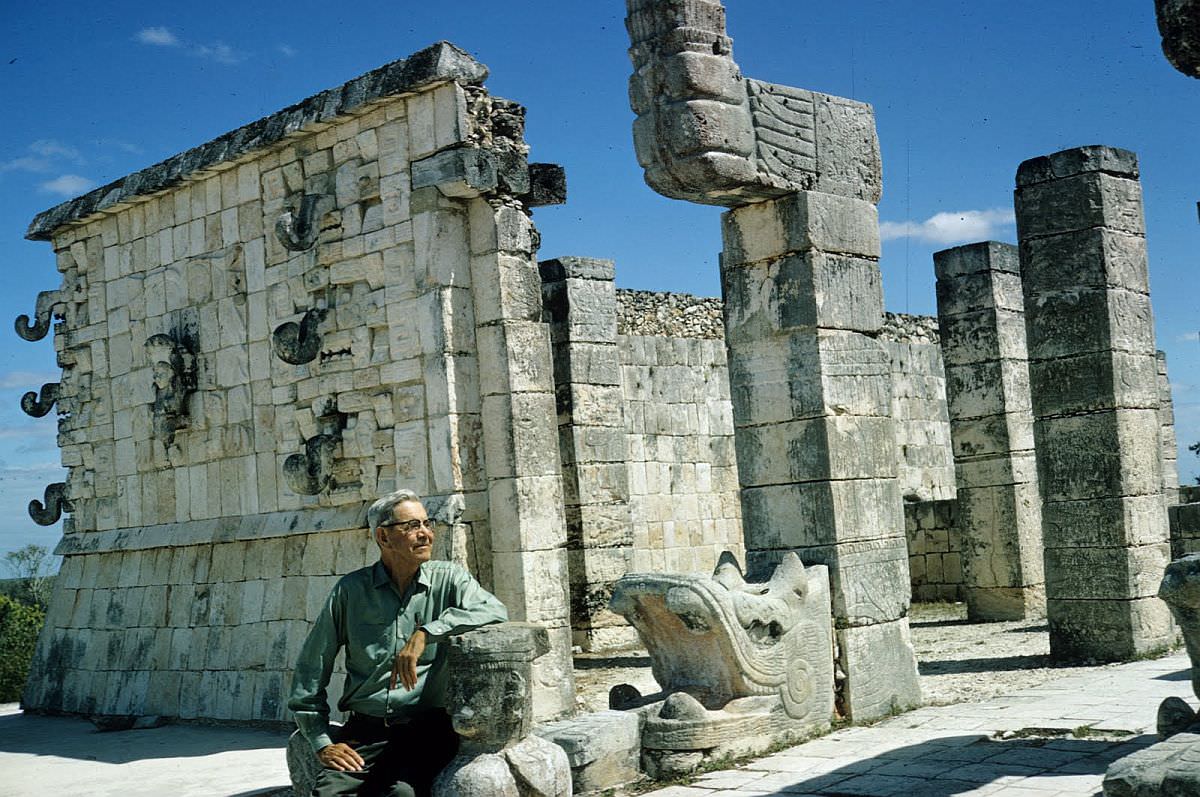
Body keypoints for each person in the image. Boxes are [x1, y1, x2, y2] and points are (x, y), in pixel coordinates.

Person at [288, 489, 508, 797]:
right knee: (328, 793)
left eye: (427, 523)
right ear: (383, 537)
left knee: (400, 794)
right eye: (412, 526)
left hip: (426, 731)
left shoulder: (449, 578)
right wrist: (322, 743)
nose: (425, 534)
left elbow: (494, 611)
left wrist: (427, 632)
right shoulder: (350, 591)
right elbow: (310, 671)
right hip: (365, 733)